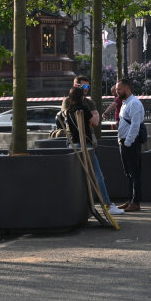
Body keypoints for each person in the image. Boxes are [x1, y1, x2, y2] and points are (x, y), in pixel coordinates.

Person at [61, 76, 122, 216]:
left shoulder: (86, 103)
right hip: (82, 141)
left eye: (88, 87)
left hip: (78, 141)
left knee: (90, 174)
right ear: (76, 86)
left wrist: (92, 118)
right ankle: (106, 203)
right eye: (84, 87)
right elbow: (92, 120)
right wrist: (91, 118)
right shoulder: (75, 104)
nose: (86, 90)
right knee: (96, 173)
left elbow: (95, 121)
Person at [116, 79, 145, 212]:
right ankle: (129, 200)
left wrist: (127, 142)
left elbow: (135, 125)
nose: (117, 92)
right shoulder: (125, 103)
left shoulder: (134, 103)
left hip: (131, 144)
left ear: (127, 88)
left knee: (134, 173)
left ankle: (136, 202)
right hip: (125, 142)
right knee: (128, 173)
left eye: (119, 89)